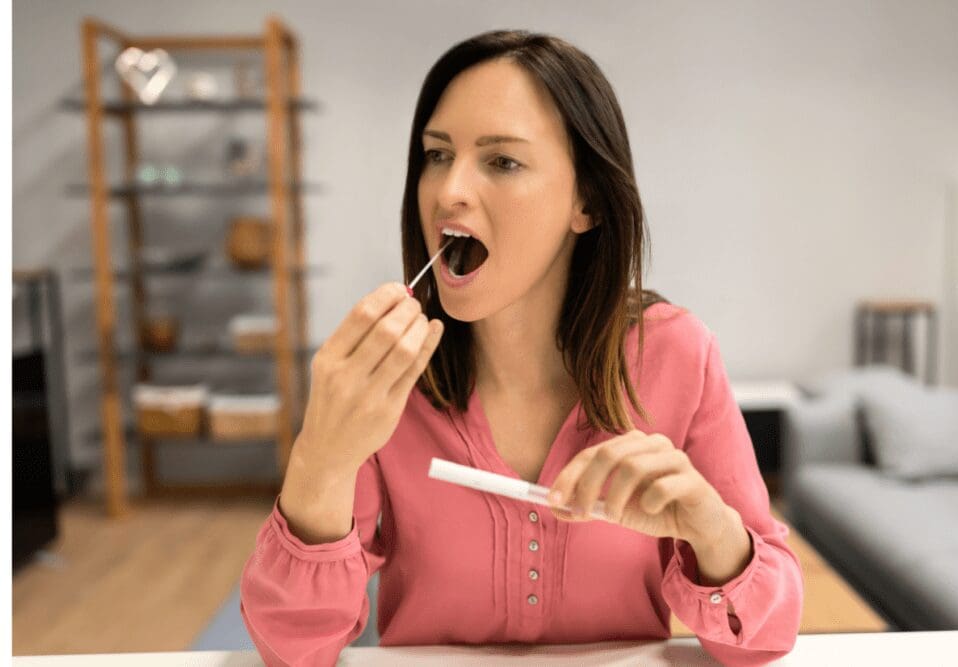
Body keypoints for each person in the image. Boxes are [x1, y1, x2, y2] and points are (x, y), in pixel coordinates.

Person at [239, 30, 802, 667]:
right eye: (436, 154)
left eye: (501, 161)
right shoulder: (385, 378)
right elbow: (291, 650)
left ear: (585, 200)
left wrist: (711, 528)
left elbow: (765, 637)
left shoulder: (677, 355)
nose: (449, 189)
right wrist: (320, 459)